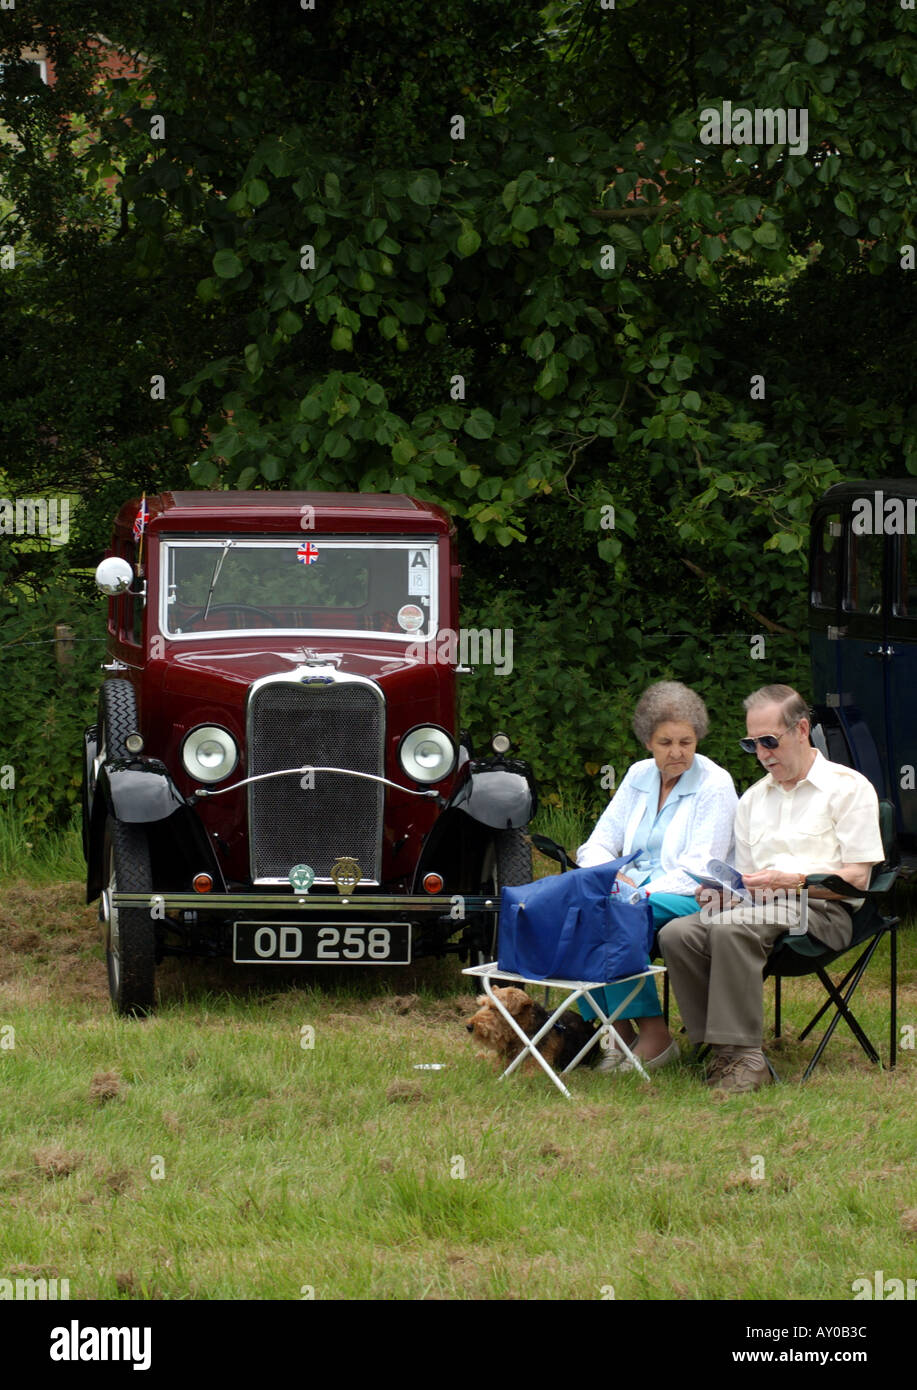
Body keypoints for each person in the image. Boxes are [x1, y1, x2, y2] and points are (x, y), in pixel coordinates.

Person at [658, 684, 884, 1095]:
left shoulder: (848, 788)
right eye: (752, 744)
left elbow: (856, 879)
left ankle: (745, 1059)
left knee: (731, 929)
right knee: (678, 932)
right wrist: (723, 893)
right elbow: (745, 880)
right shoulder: (753, 800)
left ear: (801, 730)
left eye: (769, 741)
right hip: (761, 908)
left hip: (822, 911)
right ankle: (720, 1049)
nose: (762, 753)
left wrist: (794, 881)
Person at [576, 681, 738, 1071]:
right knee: (580, 910)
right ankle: (620, 1033)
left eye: (687, 741)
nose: (677, 753)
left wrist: (635, 894)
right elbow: (598, 843)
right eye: (666, 742)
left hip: (694, 892)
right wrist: (612, 879)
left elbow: (701, 868)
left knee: (618, 916)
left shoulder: (715, 785)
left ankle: (656, 1038)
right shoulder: (637, 775)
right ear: (648, 741)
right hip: (630, 891)